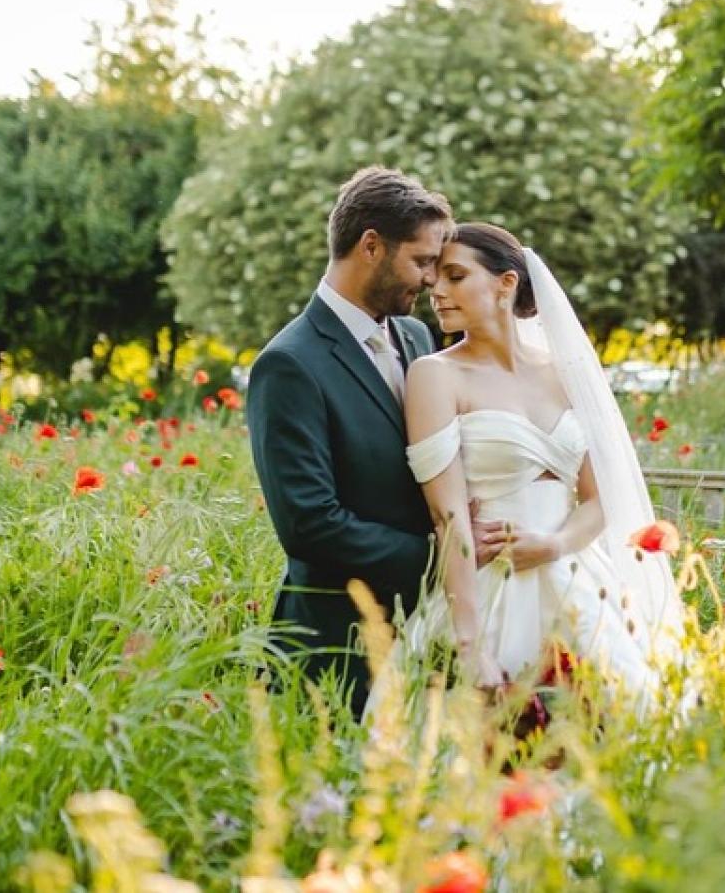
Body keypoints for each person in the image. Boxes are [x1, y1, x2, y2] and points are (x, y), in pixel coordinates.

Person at [246, 167, 506, 715]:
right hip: (339, 647)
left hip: (429, 629)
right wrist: (441, 556)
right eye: (422, 261)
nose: (432, 281)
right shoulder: (290, 364)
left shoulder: (415, 336)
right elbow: (309, 524)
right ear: (371, 246)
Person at [401, 223, 688, 709]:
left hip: (578, 578)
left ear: (506, 284)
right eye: (435, 279)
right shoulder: (435, 374)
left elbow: (599, 498)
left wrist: (554, 544)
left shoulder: (566, 372)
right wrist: (470, 644)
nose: (438, 291)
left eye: (455, 276)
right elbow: (446, 516)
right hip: (490, 583)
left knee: (617, 715)